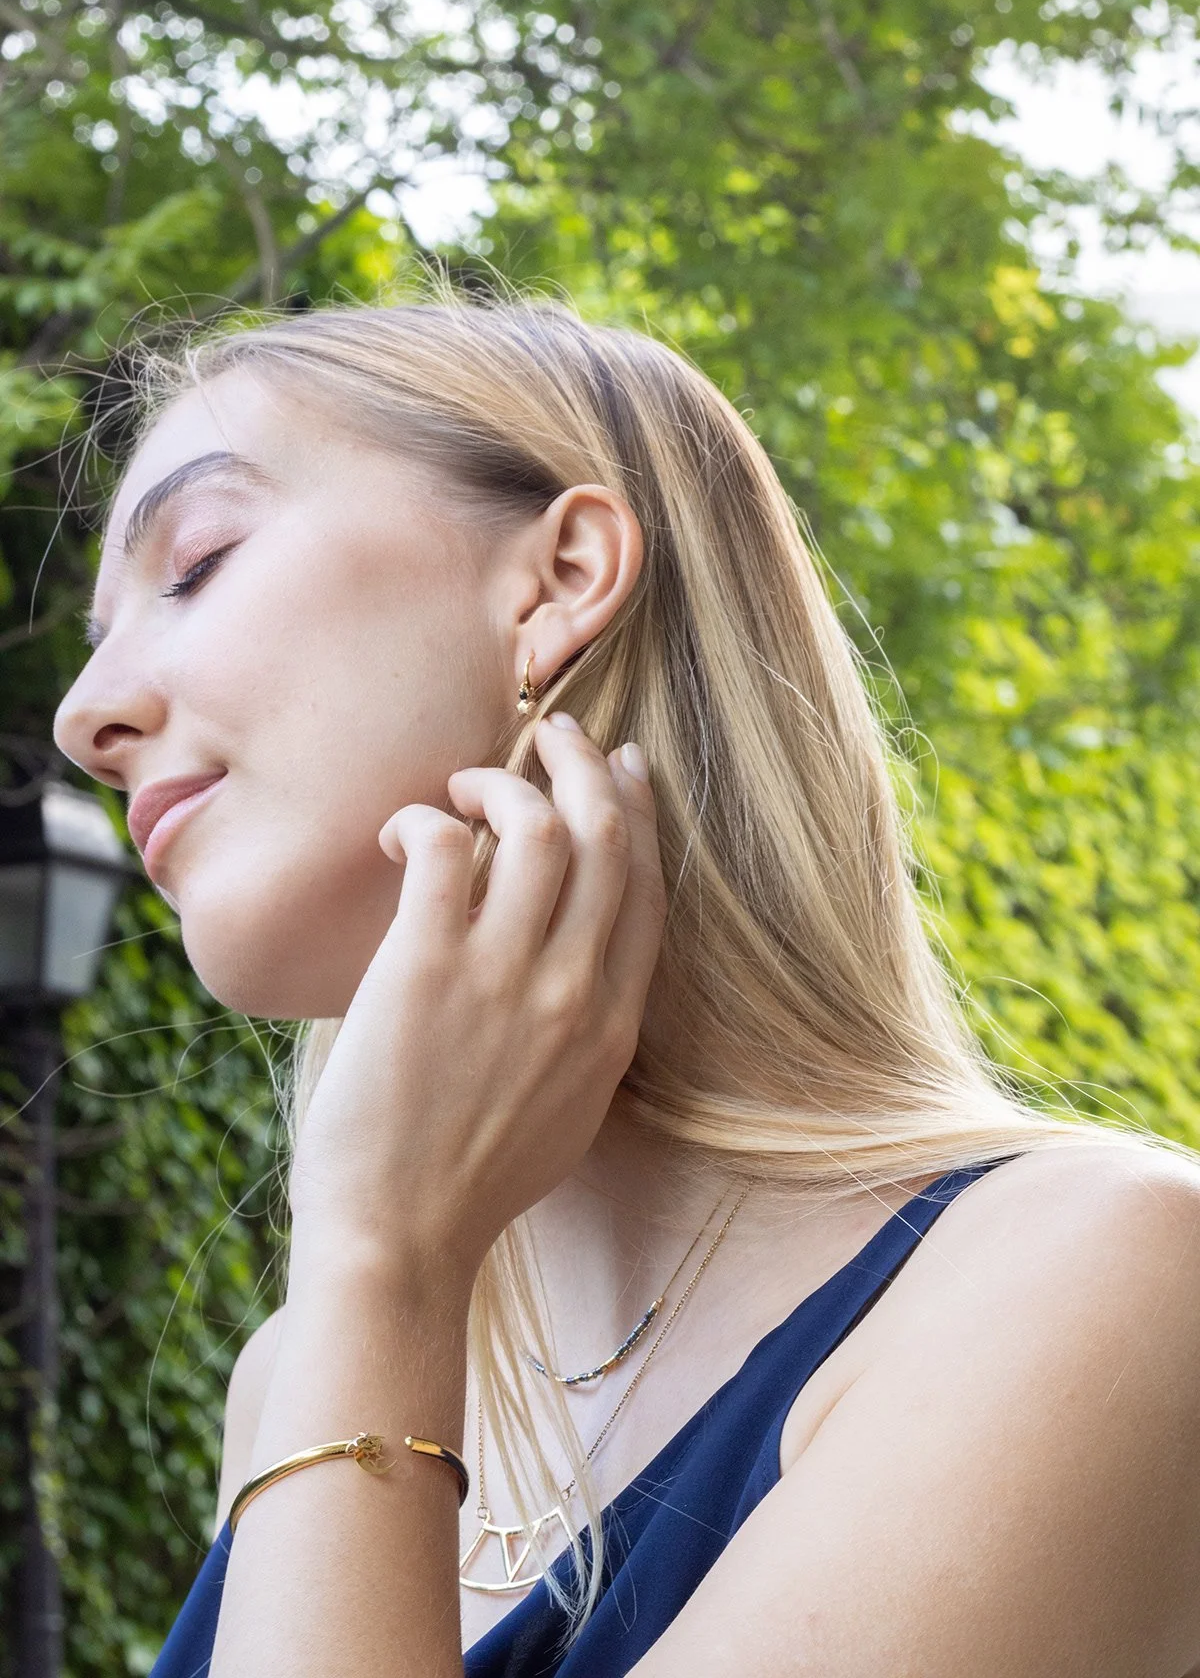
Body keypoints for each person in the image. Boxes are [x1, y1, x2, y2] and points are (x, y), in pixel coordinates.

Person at [53, 285, 1200, 1678]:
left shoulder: (1100, 1276)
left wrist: (379, 1262)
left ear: (560, 579)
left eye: (198, 561)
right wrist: (375, 1284)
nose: (84, 719)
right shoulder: (298, 1372)